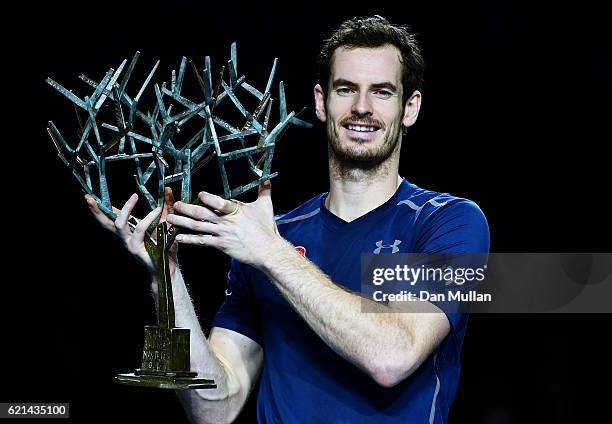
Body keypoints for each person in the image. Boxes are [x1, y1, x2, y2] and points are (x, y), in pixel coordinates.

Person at [86, 15, 489, 423]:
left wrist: (271, 253)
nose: (362, 107)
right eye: (345, 89)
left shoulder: (451, 224)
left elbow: (393, 356)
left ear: (410, 108)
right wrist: (165, 277)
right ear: (320, 101)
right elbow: (213, 408)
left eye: (382, 92)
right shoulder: (273, 236)